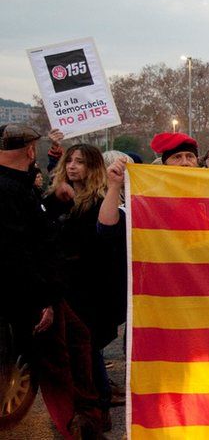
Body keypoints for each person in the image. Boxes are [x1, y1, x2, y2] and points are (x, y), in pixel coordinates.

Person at [0, 125, 103, 438]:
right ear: (31, 150)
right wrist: (42, 300)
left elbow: (36, 230)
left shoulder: (17, 185)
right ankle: (74, 425)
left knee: (78, 339)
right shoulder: (8, 189)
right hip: (32, 293)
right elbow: (18, 251)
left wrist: (56, 202)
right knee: (56, 363)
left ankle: (87, 414)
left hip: (43, 289)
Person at [44, 144, 126, 428]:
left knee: (89, 350)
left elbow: (105, 237)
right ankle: (83, 410)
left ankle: (98, 410)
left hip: (93, 288)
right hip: (64, 287)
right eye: (69, 161)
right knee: (76, 352)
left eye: (80, 162)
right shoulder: (57, 199)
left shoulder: (98, 202)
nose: (72, 166)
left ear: (93, 167)